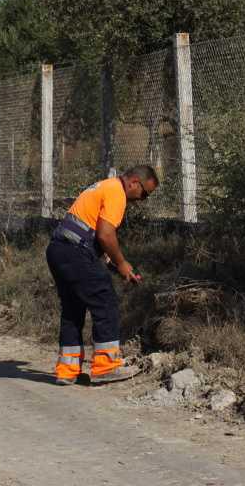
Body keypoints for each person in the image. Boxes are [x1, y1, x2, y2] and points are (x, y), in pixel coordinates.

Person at [46, 165, 158, 385]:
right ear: (134, 183)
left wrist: (109, 260)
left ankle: (67, 370)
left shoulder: (104, 186)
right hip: (74, 251)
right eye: (145, 193)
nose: (143, 199)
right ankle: (106, 366)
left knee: (72, 308)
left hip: (59, 250)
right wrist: (122, 263)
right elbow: (106, 234)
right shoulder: (117, 192)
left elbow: (89, 230)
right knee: (105, 300)